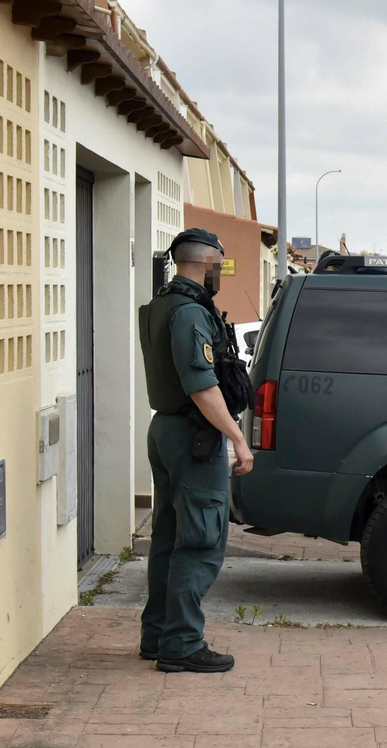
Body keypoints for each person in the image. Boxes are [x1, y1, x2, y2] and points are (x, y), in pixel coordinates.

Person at [137, 228, 253, 672]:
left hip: (166, 431)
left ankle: (159, 634)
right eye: (218, 267)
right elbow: (202, 387)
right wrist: (239, 440)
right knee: (201, 539)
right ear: (208, 264)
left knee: (167, 536)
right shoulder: (188, 313)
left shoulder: (160, 305)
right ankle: (182, 644)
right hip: (193, 436)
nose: (218, 274)